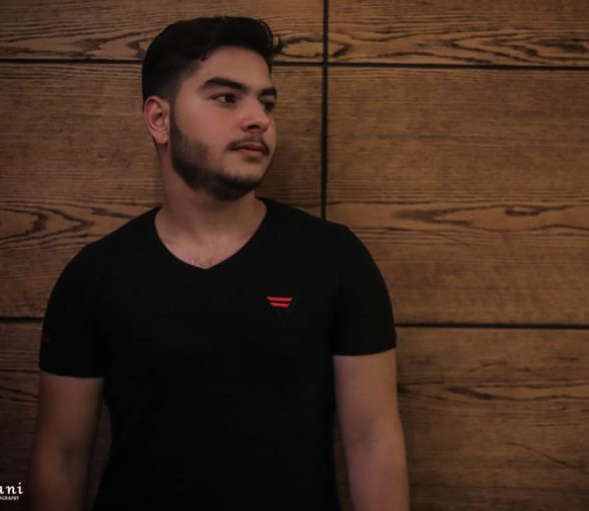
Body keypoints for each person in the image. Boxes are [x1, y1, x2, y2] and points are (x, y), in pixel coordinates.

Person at [27, 16, 409, 511]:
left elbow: (373, 441)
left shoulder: (335, 259)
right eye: (227, 97)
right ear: (159, 119)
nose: (258, 119)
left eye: (266, 102)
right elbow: (61, 458)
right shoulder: (94, 276)